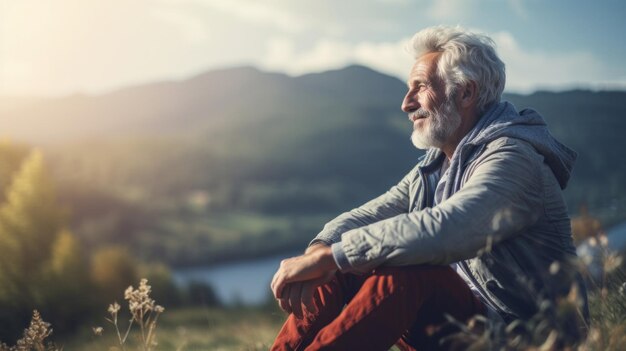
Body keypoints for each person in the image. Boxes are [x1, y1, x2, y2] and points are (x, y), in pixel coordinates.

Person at [270, 25, 589, 351]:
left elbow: (450, 228)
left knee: (408, 276)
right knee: (341, 270)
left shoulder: (513, 158)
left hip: (532, 338)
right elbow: (373, 214)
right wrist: (319, 252)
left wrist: (335, 256)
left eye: (419, 87)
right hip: (469, 324)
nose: (407, 103)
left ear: (465, 92)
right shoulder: (439, 164)